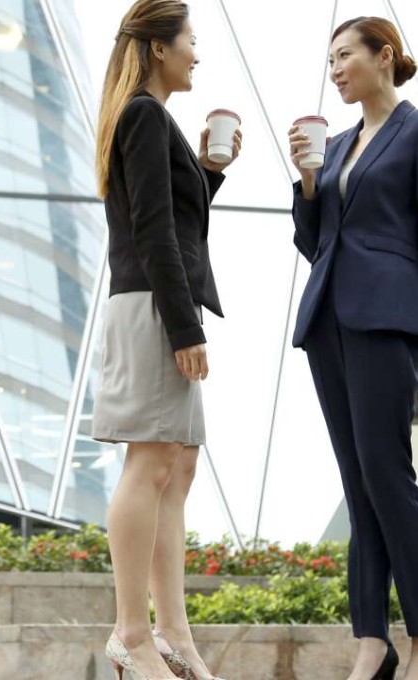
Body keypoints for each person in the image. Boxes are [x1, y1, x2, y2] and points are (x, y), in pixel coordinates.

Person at [92, 1, 240, 678]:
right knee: (149, 464)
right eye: (190, 42)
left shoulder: (149, 117)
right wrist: (184, 326)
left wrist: (210, 174)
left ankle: (172, 632)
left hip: (159, 302)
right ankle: (130, 632)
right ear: (159, 47)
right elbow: (151, 227)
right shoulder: (145, 114)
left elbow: (171, 216)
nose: (197, 55)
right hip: (154, 306)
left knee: (176, 468)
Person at [288, 15, 418, 680]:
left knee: (390, 478)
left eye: (344, 56)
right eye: (329, 59)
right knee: (359, 483)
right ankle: (371, 640)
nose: (334, 69)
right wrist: (309, 180)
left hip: (388, 317)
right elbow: (314, 243)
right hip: (328, 321)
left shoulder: (416, 132)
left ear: (383, 56)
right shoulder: (335, 145)